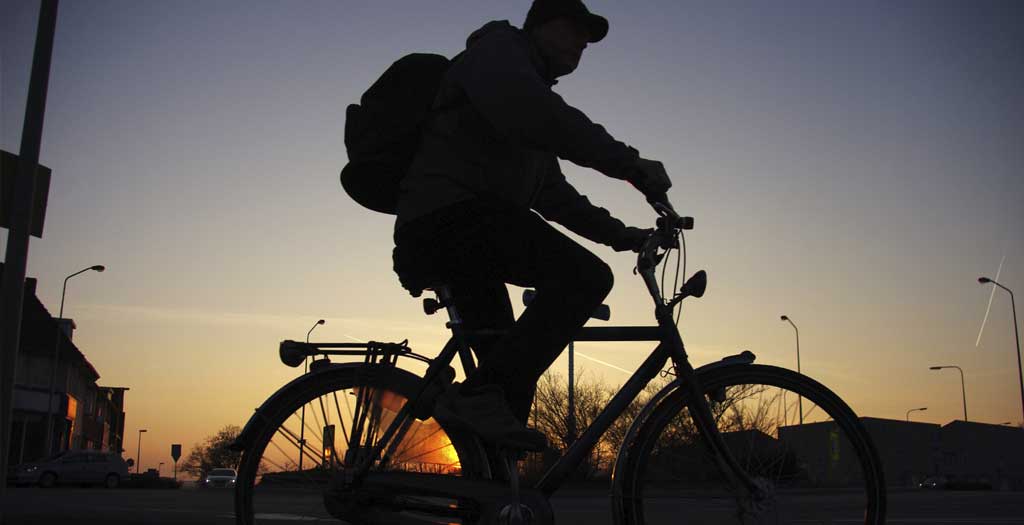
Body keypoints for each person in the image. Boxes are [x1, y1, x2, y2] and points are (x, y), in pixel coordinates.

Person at [392, 0, 671, 451]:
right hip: (447, 221)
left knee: (507, 387)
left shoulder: (524, 117)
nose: (583, 43)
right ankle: (478, 401)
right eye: (575, 29)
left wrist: (623, 234)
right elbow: (544, 114)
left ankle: (497, 499)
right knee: (585, 277)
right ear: (541, 26)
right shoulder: (499, 55)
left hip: (469, 236)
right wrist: (631, 165)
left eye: (588, 38)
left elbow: (557, 198)